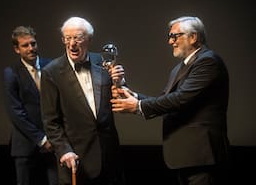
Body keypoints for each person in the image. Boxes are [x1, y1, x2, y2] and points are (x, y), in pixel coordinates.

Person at [111, 16, 230, 185]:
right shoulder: (179, 68)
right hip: (186, 156)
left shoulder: (208, 61)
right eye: (169, 37)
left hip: (203, 156)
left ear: (193, 37)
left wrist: (138, 106)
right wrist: (133, 95)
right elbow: (166, 100)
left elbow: (180, 99)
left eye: (175, 36)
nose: (170, 41)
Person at [40, 16, 126, 185]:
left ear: (89, 39)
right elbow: (50, 121)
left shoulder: (102, 62)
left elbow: (119, 97)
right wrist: (64, 151)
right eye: (68, 38)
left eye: (78, 37)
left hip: (109, 156)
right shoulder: (52, 72)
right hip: (76, 159)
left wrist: (120, 82)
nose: (72, 43)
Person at [3, 26, 58, 185]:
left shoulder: (52, 66)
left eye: (33, 44)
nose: (31, 48)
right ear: (16, 49)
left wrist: (54, 137)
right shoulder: (11, 73)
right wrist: (41, 139)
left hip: (54, 143)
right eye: (25, 45)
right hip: (26, 146)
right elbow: (15, 112)